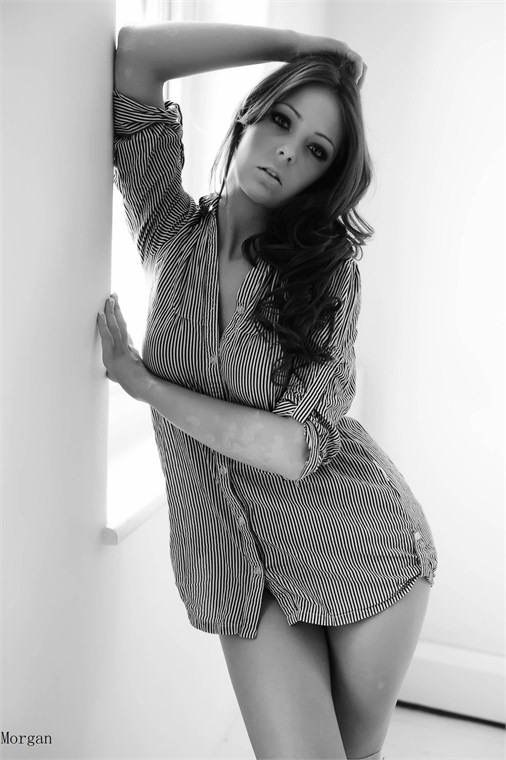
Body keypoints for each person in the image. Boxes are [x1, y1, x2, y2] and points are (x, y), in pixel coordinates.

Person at [97, 21, 438, 760]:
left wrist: (145, 385)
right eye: (282, 120)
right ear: (249, 115)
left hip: (359, 550)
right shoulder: (168, 231)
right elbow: (137, 58)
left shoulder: (325, 275)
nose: (287, 151)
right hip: (236, 561)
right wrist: (296, 50)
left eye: (316, 150)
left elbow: (290, 450)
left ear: (324, 179)